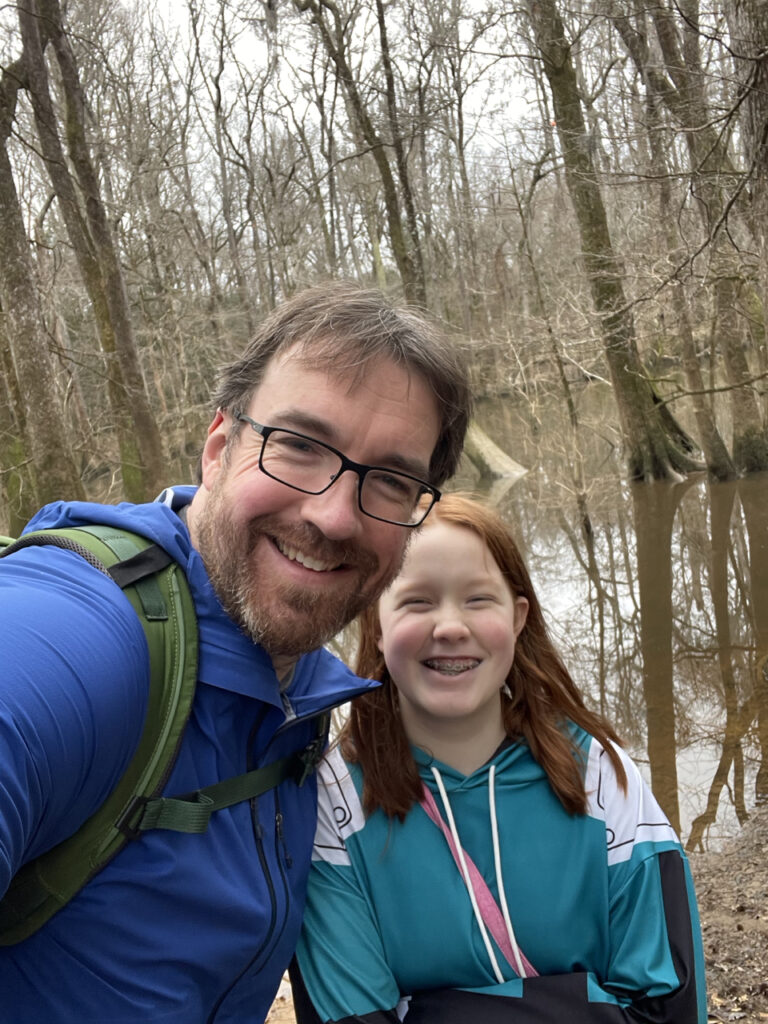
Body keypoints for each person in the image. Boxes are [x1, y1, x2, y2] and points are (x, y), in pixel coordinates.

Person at [0, 283, 471, 1023]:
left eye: (390, 479)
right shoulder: (80, 638)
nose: (335, 514)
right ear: (219, 447)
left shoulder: (301, 690)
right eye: (300, 446)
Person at [293, 493, 707, 1024]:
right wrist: (581, 1004)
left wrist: (428, 1012)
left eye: (477, 599)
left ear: (517, 618)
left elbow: (666, 1007)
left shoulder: (602, 779)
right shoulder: (334, 804)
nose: (449, 627)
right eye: (417, 600)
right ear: (375, 617)